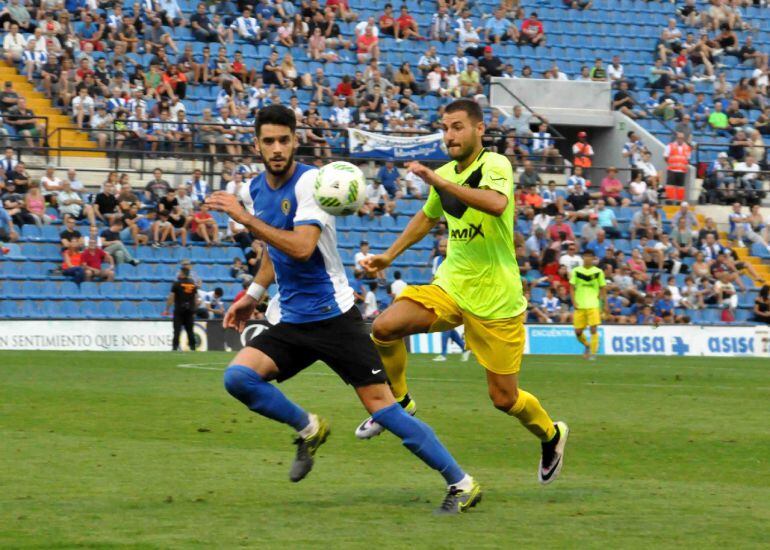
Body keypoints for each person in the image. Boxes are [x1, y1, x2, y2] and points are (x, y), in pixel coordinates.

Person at [205, 105, 480, 514]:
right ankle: (309, 427)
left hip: (335, 318)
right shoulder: (254, 190)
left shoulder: (311, 183)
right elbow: (274, 252)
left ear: (296, 140)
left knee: (384, 411)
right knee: (239, 378)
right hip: (292, 321)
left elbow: (299, 248)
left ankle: (462, 483)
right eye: (269, 141)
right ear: (257, 144)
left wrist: (243, 219)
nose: (277, 149)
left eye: (284, 140)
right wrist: (253, 293)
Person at [352, 99, 568, 486]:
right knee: (384, 327)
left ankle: (551, 435)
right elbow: (427, 217)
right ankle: (399, 401)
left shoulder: (495, 165)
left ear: (478, 129)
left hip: (497, 300)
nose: (449, 135)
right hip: (452, 286)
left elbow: (496, 204)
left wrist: (440, 182)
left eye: (457, 127)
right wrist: (387, 256)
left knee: (504, 399)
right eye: (445, 128)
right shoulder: (447, 173)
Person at [569, 249, 607, 361]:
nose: (587, 258)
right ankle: (587, 345)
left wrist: (603, 304)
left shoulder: (598, 272)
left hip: (593, 304)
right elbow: (571, 287)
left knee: (593, 329)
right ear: (583, 258)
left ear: (593, 258)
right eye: (585, 256)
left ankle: (593, 354)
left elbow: (603, 288)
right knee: (578, 332)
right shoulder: (576, 271)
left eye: (590, 256)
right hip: (580, 305)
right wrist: (574, 301)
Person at [164, 265, 198, 351]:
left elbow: (171, 297)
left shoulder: (177, 283)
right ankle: (193, 348)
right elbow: (196, 298)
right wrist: (194, 309)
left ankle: (175, 347)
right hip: (190, 310)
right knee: (190, 330)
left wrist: (167, 309)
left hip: (179, 310)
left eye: (180, 272)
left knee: (177, 330)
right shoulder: (193, 284)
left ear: (182, 273)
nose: (179, 274)